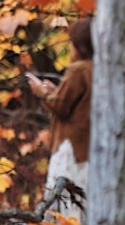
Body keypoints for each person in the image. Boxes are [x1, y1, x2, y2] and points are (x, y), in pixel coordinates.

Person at [26, 17, 92, 208]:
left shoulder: (78, 70)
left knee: (63, 196)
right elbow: (71, 103)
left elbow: (61, 107)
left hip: (71, 145)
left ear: (80, 45)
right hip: (87, 144)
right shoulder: (98, 68)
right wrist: (52, 92)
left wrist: (41, 92)